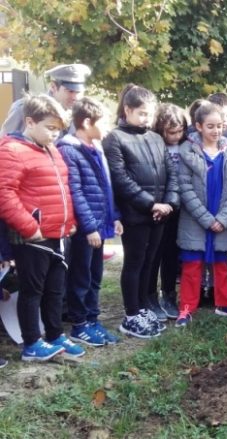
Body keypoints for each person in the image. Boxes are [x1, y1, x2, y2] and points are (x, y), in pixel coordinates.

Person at [0, 95, 81, 361]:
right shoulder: (11, 150)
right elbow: (4, 194)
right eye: (50, 128)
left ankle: (56, 335)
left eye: (59, 129)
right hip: (32, 238)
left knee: (56, 289)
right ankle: (32, 343)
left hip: (57, 235)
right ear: (29, 122)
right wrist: (29, 227)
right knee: (33, 290)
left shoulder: (51, 149)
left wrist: (69, 224)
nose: (55, 134)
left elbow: (63, 191)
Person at [104, 85, 179, 339]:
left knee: (150, 262)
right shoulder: (114, 138)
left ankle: (144, 306)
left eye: (150, 114)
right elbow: (121, 179)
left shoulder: (155, 138)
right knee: (135, 263)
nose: (147, 119)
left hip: (160, 213)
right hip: (136, 214)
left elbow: (171, 173)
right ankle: (131, 313)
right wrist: (150, 204)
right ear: (128, 110)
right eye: (142, 114)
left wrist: (168, 202)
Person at [57, 97, 122, 346]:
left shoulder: (97, 148)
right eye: (104, 122)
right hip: (87, 229)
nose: (107, 126)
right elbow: (76, 192)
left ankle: (94, 321)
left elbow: (106, 187)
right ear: (86, 122)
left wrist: (114, 216)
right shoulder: (69, 150)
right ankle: (79, 325)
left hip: (100, 224)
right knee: (80, 277)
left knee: (95, 276)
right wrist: (90, 227)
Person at [174, 102, 227, 326]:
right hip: (195, 220)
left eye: (220, 126)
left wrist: (223, 218)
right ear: (198, 126)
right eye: (210, 126)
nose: (216, 131)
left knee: (221, 265)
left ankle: (224, 304)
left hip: (221, 220)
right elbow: (185, 189)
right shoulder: (187, 152)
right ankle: (186, 308)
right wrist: (206, 218)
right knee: (192, 265)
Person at [148, 103, 188, 320]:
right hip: (157, 208)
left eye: (179, 131)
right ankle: (150, 296)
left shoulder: (186, 147)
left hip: (178, 208)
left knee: (172, 255)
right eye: (171, 132)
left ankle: (169, 295)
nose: (175, 136)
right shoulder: (154, 145)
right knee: (154, 255)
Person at [1, 64, 91, 136]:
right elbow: (4, 143)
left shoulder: (81, 112)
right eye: (70, 91)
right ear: (53, 87)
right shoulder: (26, 108)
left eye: (78, 92)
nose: (75, 97)